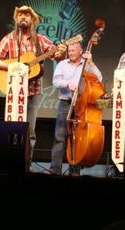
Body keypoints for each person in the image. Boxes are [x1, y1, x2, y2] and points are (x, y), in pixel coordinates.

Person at [0, 5, 67, 168]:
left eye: (27, 15)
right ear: (16, 19)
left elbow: (57, 56)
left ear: (32, 20)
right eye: (20, 15)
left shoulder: (40, 40)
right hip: (12, 93)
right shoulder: (8, 39)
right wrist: (10, 67)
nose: (23, 17)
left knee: (29, 132)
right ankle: (9, 162)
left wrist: (61, 52)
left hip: (32, 93)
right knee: (11, 128)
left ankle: (26, 164)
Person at [48, 42, 103, 176]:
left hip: (80, 105)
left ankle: (75, 171)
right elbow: (55, 81)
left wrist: (91, 62)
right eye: (69, 50)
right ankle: (55, 170)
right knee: (59, 137)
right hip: (65, 103)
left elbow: (99, 79)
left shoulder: (86, 65)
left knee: (77, 138)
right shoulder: (62, 64)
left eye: (74, 50)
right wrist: (68, 84)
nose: (71, 53)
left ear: (81, 51)